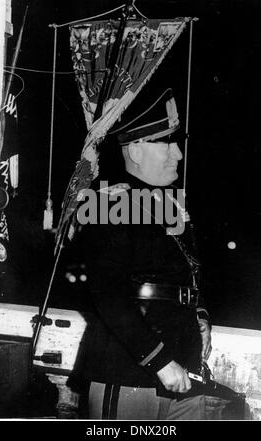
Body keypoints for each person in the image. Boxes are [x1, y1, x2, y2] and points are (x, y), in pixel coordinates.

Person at [67, 89, 225, 420]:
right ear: (135, 150)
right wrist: (159, 360)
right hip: (130, 370)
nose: (177, 154)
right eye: (166, 143)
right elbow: (108, 296)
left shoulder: (170, 205)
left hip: (184, 368)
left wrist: (201, 314)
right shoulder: (107, 204)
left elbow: (188, 273)